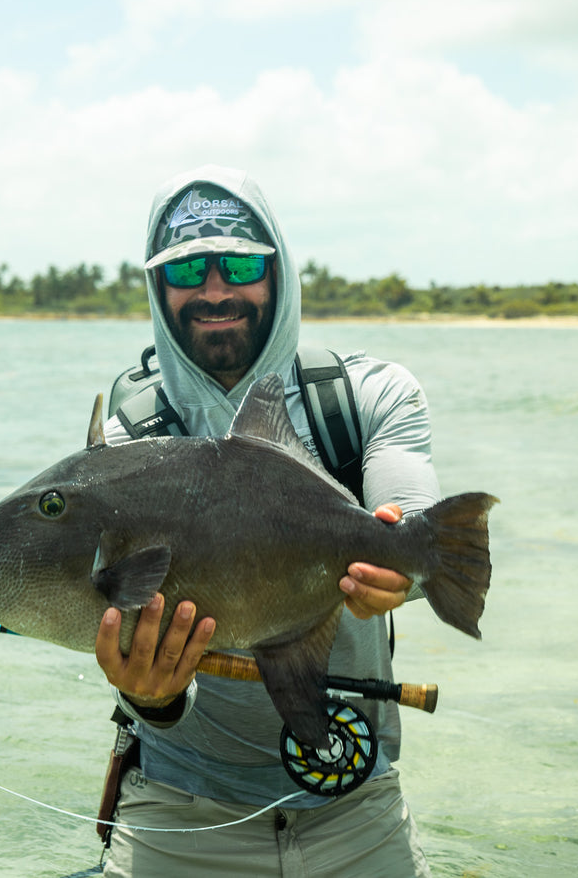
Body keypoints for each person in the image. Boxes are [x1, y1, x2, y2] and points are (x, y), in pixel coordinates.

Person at [93, 165, 442, 876]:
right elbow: (133, 644)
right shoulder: (129, 435)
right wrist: (148, 698)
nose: (215, 289)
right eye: (188, 266)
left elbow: (419, 521)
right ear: (159, 288)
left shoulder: (368, 395)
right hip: (177, 806)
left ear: (278, 274)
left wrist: (402, 572)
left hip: (356, 803)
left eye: (242, 263)